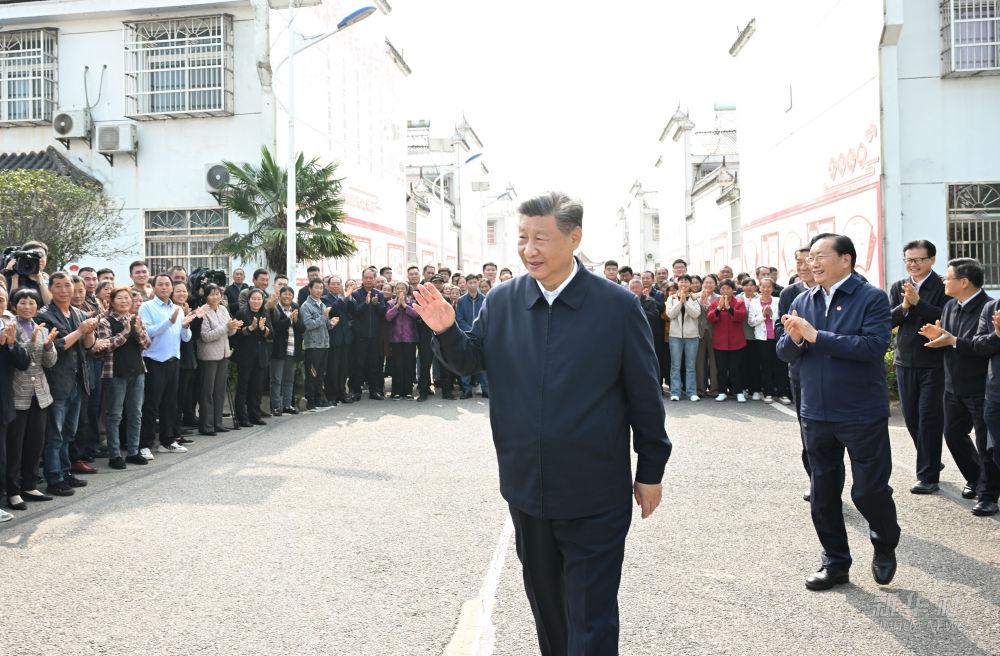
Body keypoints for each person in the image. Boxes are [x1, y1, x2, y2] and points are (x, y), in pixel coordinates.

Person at [415, 191, 671, 655]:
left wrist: (650, 470)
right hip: (527, 489)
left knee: (591, 617)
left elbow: (644, 394)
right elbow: (469, 360)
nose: (528, 249)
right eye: (522, 238)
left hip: (595, 493)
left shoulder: (616, 307)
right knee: (549, 613)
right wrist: (446, 330)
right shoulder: (503, 301)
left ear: (574, 238)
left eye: (541, 238)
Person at [777, 232, 899, 591]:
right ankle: (835, 562)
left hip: (861, 411)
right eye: (810, 257)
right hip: (816, 412)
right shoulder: (803, 299)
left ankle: (885, 542)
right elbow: (784, 351)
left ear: (846, 259)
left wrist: (817, 337)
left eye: (820, 256)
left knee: (868, 492)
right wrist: (795, 339)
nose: (812, 263)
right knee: (823, 493)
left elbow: (874, 346)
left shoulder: (871, 297)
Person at [919, 258, 999, 516]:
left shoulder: (989, 307)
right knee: (953, 435)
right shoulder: (950, 306)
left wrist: (953, 341)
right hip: (952, 385)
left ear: (964, 282)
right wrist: (939, 337)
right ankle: (976, 478)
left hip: (981, 387)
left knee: (986, 444)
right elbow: (950, 340)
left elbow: (984, 345)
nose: (944, 281)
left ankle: (988, 495)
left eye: (948, 278)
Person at [888, 240, 947, 494]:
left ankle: (928, 475)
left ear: (931, 260)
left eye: (919, 260)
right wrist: (904, 306)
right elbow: (888, 320)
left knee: (929, 418)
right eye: (909, 260)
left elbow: (944, 316)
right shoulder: (898, 287)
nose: (913, 264)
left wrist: (918, 302)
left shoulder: (943, 285)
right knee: (911, 417)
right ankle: (930, 458)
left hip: (934, 361)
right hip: (905, 360)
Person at [38, 272, 98, 494]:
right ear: (50, 289)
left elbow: (88, 346)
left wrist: (89, 332)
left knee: (69, 432)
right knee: (55, 434)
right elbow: (56, 346)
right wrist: (80, 330)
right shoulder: (44, 315)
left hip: (79, 381)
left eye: (67, 286)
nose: (64, 290)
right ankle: (54, 478)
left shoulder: (79, 313)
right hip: (57, 381)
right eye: (59, 286)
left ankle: (65, 472)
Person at [6, 288, 56, 510]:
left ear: (38, 306)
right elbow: (19, 360)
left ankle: (30, 485)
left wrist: (48, 346)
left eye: (32, 303)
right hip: (18, 392)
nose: (27, 307)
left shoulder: (42, 329)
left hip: (40, 394)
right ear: (14, 306)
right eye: (23, 303)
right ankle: (13, 490)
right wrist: (32, 343)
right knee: (15, 445)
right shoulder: (10, 328)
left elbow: (50, 362)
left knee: (36, 443)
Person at [94, 286, 152, 468]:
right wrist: (125, 332)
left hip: (137, 372)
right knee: (114, 415)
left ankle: (133, 452)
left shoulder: (137, 320)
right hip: (115, 374)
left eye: (127, 298)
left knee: (136, 413)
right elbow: (106, 346)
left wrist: (138, 331)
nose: (124, 301)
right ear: (112, 302)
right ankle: (115, 455)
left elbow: (147, 345)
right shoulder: (105, 322)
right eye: (119, 298)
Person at [139, 274, 195, 455]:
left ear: (171, 288)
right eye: (160, 284)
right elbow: (148, 332)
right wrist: (168, 322)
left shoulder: (177, 309)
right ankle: (145, 444)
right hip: (154, 361)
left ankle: (167, 441)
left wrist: (185, 326)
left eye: (167, 284)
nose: (164, 287)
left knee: (170, 404)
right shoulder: (147, 307)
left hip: (173, 361)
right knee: (151, 405)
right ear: (154, 288)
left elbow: (185, 338)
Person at [779, 247, 817, 500]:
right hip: (801, 371)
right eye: (798, 262)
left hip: (834, 372)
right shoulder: (790, 294)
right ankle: (817, 481)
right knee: (808, 432)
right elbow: (780, 333)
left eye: (809, 261)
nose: (803, 267)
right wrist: (795, 337)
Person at [0, 291, 29, 521]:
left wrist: (11, 344)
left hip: (4, 401)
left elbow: (23, 362)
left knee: (3, 455)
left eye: (1, 299)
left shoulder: (8, 326)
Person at [196, 284, 240, 436]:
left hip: (223, 354)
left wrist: (233, 327)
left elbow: (230, 333)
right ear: (205, 296)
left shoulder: (223, 309)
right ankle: (206, 425)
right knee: (207, 392)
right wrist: (226, 327)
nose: (215, 297)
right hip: (208, 356)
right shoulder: (203, 311)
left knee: (220, 391)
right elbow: (205, 336)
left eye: (217, 294)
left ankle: (218, 422)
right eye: (212, 294)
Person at [233, 288, 272, 427]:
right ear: (248, 300)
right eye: (253, 299)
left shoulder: (265, 314)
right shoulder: (241, 313)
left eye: (259, 299)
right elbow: (235, 335)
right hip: (245, 356)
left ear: (263, 301)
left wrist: (262, 328)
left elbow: (271, 334)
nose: (256, 301)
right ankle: (241, 417)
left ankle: (254, 415)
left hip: (260, 357)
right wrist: (250, 328)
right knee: (243, 387)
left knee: (257, 388)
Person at [707, 279, 748, 402]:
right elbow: (710, 318)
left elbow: (741, 317)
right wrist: (719, 308)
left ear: (733, 290)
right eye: (723, 288)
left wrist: (729, 308)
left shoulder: (739, 303)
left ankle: (738, 392)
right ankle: (722, 391)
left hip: (737, 341)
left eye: (728, 288)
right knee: (721, 369)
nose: (725, 291)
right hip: (720, 342)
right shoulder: (715, 304)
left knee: (736, 369)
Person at [349, 269, 387, 401]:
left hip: (375, 335)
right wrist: (365, 304)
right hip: (360, 335)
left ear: (375, 279)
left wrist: (376, 305)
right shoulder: (356, 294)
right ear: (362, 279)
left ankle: (374, 390)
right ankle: (356, 391)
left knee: (374, 364)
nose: (369, 280)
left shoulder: (379, 294)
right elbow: (354, 313)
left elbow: (383, 313)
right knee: (359, 364)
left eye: (371, 278)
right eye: (366, 277)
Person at [748, 278, 785, 404]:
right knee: (765, 366)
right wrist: (763, 315)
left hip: (777, 338)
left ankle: (782, 393)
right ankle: (768, 392)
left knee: (780, 366)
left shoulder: (778, 301)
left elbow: (782, 318)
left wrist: (772, 315)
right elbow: (751, 322)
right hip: (762, 339)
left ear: (773, 289)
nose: (765, 289)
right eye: (763, 286)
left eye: (768, 287)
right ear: (759, 288)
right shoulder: (754, 303)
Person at [300, 279, 334, 410]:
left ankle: (319, 399)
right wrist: (324, 317)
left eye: (321, 288)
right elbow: (308, 325)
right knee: (312, 375)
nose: (319, 290)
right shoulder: (306, 306)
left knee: (320, 374)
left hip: (324, 344)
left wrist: (331, 323)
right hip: (313, 345)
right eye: (316, 287)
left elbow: (325, 325)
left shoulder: (322, 304)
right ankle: (311, 401)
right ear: (310, 289)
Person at [665, 274, 701, 402]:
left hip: (692, 335)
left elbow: (696, 314)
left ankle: (691, 392)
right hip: (675, 336)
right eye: (681, 281)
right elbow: (670, 314)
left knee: (690, 365)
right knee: (675, 365)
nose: (684, 284)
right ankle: (675, 392)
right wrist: (680, 302)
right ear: (678, 283)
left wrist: (686, 302)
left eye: (686, 281)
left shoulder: (695, 298)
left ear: (690, 284)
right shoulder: (671, 298)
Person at [269, 286, 302, 415]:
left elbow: (302, 328)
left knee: (289, 379)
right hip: (278, 350)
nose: (287, 296)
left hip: (292, 349)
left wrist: (296, 321)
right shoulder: (275, 309)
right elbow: (275, 327)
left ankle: (287, 405)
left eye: (290, 294)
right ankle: (276, 406)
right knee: (276, 380)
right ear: (280, 296)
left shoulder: (296, 308)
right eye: (285, 294)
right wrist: (289, 320)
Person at [455, 275, 488, 399]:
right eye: (470, 283)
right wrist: (471, 330)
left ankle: (486, 389)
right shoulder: (461, 300)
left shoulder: (485, 299)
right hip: (466, 335)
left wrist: (478, 330)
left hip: (481, 335)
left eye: (475, 282)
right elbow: (459, 318)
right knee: (466, 363)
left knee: (482, 362)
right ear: (466, 284)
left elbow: (487, 317)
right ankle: (466, 390)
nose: (473, 285)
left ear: (478, 283)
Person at [385, 282, 419, 400]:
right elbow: (388, 317)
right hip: (395, 339)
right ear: (394, 291)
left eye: (403, 288)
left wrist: (404, 305)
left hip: (410, 339)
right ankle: (396, 391)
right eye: (398, 288)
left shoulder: (412, 303)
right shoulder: (390, 303)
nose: (400, 290)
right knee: (397, 365)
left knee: (409, 365)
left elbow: (416, 315)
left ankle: (408, 391)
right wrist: (397, 306)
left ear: (406, 290)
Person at [4, 240, 53, 305]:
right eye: (33, 256)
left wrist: (40, 280)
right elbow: (12, 306)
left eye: (41, 255)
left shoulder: (48, 279)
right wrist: (15, 278)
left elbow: (51, 305)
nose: (38, 259)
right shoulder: (9, 277)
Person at [696, 274, 720, 397]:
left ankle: (715, 389)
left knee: (714, 362)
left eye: (711, 283)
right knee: (699, 362)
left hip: (714, 332)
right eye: (706, 282)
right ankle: (700, 389)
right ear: (702, 284)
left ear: (715, 285)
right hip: (698, 332)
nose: (708, 285)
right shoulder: (695, 296)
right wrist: (701, 302)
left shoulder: (719, 298)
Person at [740, 278, 763, 400]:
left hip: (756, 336)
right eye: (746, 285)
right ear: (742, 286)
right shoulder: (738, 298)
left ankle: (756, 389)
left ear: (755, 287)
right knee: (742, 364)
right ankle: (744, 388)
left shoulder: (760, 298)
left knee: (755, 364)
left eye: (751, 285)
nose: (749, 287)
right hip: (741, 336)